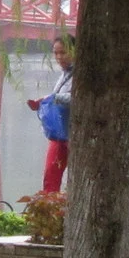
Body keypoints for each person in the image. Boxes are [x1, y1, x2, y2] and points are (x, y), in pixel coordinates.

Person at [28, 33, 74, 192]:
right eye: (56, 53)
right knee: (50, 176)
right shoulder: (64, 74)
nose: (59, 57)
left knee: (75, 178)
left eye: (63, 52)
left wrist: (54, 98)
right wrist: (44, 101)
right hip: (59, 133)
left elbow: (81, 99)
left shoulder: (82, 73)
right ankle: (49, 213)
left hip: (74, 134)